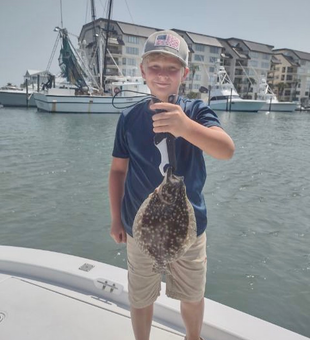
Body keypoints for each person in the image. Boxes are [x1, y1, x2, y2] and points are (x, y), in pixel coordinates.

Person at [109, 30, 235, 340]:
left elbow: (225, 149)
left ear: (184, 74)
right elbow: (117, 172)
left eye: (172, 68)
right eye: (155, 67)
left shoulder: (196, 112)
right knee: (140, 297)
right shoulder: (128, 118)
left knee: (191, 295)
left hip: (189, 231)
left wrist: (185, 127)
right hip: (140, 229)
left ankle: (193, 337)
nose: (163, 75)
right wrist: (116, 219)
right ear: (142, 71)